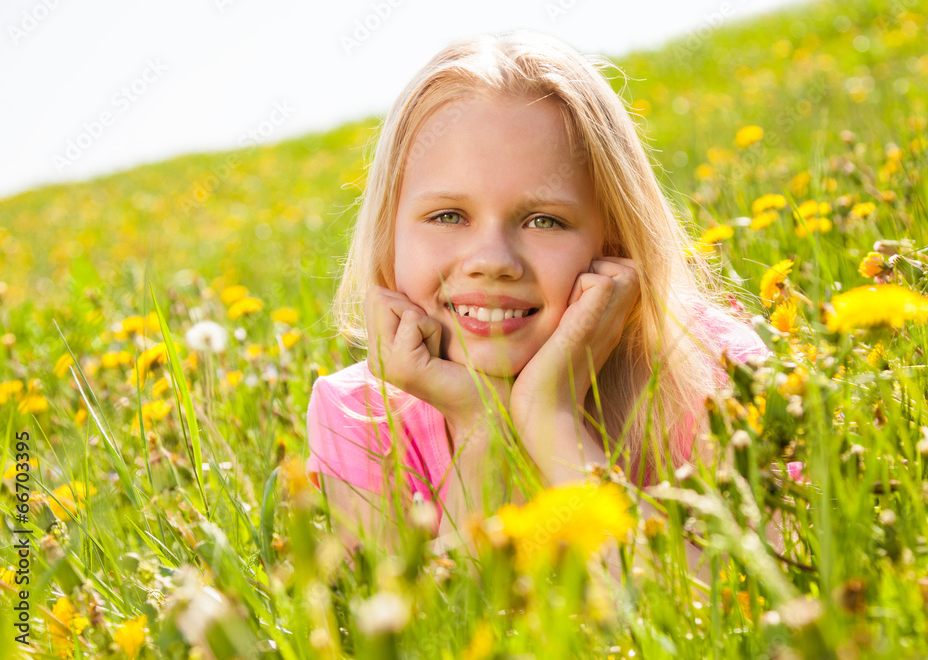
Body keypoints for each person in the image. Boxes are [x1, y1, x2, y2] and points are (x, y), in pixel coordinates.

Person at [305, 30, 768, 552]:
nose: (492, 262)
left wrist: (551, 417)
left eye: (544, 220)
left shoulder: (713, 370)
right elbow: (439, 630)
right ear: (390, 234)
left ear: (611, 239)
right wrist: (483, 427)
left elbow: (716, 614)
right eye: (449, 215)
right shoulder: (357, 418)